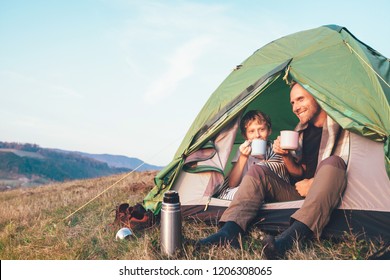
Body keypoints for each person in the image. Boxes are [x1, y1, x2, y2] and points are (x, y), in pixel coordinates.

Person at [197, 82, 348, 259]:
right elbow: (299, 173)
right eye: (292, 103)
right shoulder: (301, 133)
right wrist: (286, 156)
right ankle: (229, 231)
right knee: (257, 171)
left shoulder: (343, 125)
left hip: (325, 191)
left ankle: (291, 238)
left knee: (335, 162)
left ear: (317, 95)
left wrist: (314, 184)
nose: (296, 107)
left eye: (300, 99)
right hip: (296, 193)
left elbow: (348, 166)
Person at [221, 110, 290, 201]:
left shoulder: (275, 148)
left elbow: (281, 174)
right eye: (251, 131)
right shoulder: (243, 150)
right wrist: (243, 157)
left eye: (262, 129)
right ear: (245, 136)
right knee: (234, 193)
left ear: (269, 131)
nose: (257, 135)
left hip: (270, 189)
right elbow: (232, 184)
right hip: (245, 189)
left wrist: (263, 164)